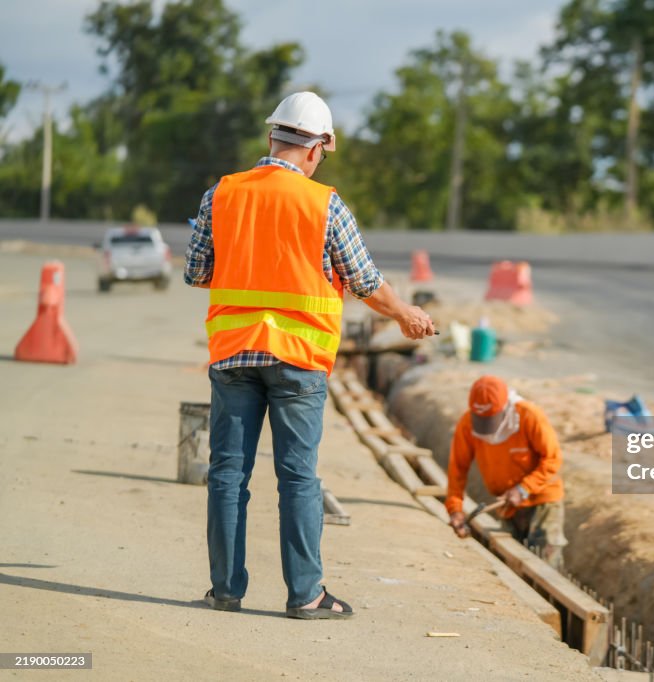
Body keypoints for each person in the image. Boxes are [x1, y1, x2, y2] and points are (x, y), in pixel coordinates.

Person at [185, 91, 434, 619]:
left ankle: (226, 590)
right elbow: (365, 281)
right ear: (318, 147)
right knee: (298, 477)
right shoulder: (324, 205)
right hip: (299, 359)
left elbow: (197, 272)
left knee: (228, 474)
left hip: (234, 353)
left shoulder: (222, 194)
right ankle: (306, 595)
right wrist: (406, 313)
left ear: (272, 136)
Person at [445, 376, 568, 569]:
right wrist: (455, 509)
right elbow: (457, 468)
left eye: (491, 419)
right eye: (481, 420)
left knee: (545, 566)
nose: (486, 427)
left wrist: (523, 489)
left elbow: (553, 459)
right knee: (513, 564)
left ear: (505, 408)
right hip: (508, 505)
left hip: (543, 501)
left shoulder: (528, 416)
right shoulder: (467, 424)